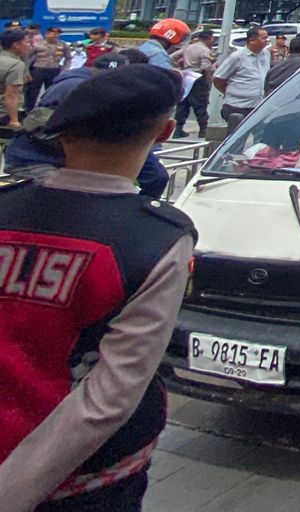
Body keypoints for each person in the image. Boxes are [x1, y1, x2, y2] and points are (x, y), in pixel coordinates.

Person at [0, 65, 197, 511]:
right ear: (165, 132)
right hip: (87, 481)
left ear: (62, 134)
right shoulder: (157, 237)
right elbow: (109, 397)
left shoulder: (7, 208)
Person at [4, 50, 173, 200]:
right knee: (67, 200)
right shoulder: (80, 89)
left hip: (51, 156)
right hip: (36, 159)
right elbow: (47, 128)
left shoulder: (81, 83)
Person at [213, 25, 272, 129]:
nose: (267, 41)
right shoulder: (237, 57)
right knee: (237, 139)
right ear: (252, 40)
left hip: (259, 105)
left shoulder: (266, 54)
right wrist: (228, 91)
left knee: (260, 139)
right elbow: (218, 78)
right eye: (263, 38)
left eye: (267, 38)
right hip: (237, 106)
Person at [173, 27, 217, 139]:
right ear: (209, 39)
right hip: (198, 78)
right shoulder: (205, 50)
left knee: (183, 103)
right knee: (200, 104)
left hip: (186, 76)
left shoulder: (188, 47)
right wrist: (214, 68)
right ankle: (203, 130)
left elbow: (172, 57)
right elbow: (206, 67)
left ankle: (178, 129)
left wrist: (179, 67)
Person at [26, 25, 67, 109]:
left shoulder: (63, 45)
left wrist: (65, 69)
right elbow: (28, 58)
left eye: (57, 33)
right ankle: (28, 108)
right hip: (38, 69)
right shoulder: (38, 45)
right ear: (47, 34)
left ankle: (47, 107)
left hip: (54, 69)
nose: (55, 35)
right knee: (33, 91)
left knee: (51, 90)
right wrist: (26, 71)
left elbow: (69, 58)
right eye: (53, 33)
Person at [264, 32, 300, 96]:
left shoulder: (273, 70)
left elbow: (266, 91)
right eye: (280, 39)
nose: (282, 41)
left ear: (289, 50)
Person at [1, 26, 30, 128]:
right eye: (26, 42)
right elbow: (11, 95)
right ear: (16, 45)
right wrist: (14, 120)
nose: (29, 45)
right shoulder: (15, 64)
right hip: (5, 114)